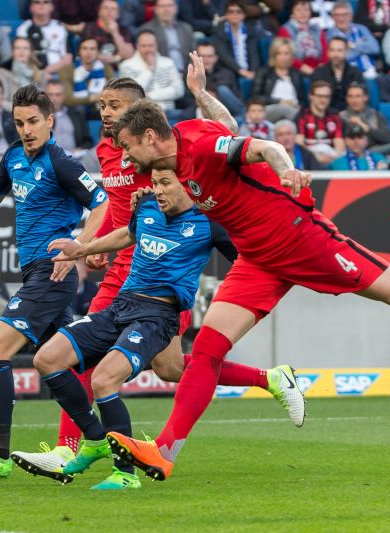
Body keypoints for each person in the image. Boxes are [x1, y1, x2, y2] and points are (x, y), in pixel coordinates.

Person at [106, 51, 390, 481]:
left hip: (299, 238)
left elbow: (263, 146)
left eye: (127, 147)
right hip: (256, 259)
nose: (125, 158)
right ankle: (163, 451)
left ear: (149, 137)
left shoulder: (198, 146)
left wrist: (288, 168)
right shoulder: (187, 137)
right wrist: (200, 93)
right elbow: (230, 126)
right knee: (207, 350)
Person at [11, 79, 304, 482]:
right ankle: (269, 379)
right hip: (123, 271)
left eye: (115, 106)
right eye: (102, 105)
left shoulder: (164, 152)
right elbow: (116, 210)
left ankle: (78, 450)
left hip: (162, 276)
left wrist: (202, 94)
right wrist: (93, 246)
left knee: (152, 367)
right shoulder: (105, 150)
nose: (106, 113)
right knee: (146, 365)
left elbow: (228, 135)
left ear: (141, 116)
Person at [0, 84, 108, 478]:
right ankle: (97, 438)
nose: (26, 129)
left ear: (50, 121)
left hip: (52, 272)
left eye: (33, 122)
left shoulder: (61, 162)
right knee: (55, 363)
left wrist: (78, 246)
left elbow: (102, 204)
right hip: (34, 273)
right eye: (18, 122)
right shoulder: (13, 155)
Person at [32, 168, 237, 490]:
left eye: (166, 183)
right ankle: (96, 439)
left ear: (188, 186)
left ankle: (125, 474)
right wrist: (83, 249)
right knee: (47, 358)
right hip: (120, 305)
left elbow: (248, 260)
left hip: (158, 315)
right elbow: (128, 234)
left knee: (104, 379)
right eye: (155, 183)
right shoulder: (146, 206)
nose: (158, 190)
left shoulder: (210, 222)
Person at [118, 30, 184, 121]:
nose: (148, 49)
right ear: (137, 46)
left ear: (156, 45)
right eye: (144, 46)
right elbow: (132, 93)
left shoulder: (168, 63)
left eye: (151, 45)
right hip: (139, 113)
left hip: (168, 111)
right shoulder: (126, 66)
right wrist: (149, 70)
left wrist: (150, 96)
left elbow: (179, 90)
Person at [251, 37, 306, 122]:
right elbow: (256, 97)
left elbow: (302, 99)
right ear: (274, 55)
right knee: (287, 110)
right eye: (279, 53)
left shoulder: (296, 74)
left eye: (286, 53)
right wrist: (279, 102)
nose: (283, 57)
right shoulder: (264, 72)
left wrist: (299, 105)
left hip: (293, 110)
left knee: (289, 122)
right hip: (269, 109)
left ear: (291, 56)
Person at [338, 82, 390, 155]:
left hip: (374, 149)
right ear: (346, 98)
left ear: (365, 98)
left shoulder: (375, 114)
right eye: (350, 96)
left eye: (358, 96)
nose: (354, 100)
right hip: (351, 151)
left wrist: (366, 127)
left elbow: (388, 138)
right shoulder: (341, 116)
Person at [59, 37, 113, 118]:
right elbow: (67, 99)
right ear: (79, 51)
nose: (88, 53)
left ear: (98, 52)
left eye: (92, 49)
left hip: (101, 106)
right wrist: (93, 98)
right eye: (84, 48)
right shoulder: (67, 70)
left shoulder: (106, 68)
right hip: (77, 110)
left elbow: (113, 92)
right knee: (79, 109)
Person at [16, 0, 72, 77]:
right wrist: (39, 74)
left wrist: (48, 70)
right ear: (31, 7)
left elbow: (68, 58)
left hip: (57, 72)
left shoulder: (60, 28)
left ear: (52, 7)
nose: (41, 5)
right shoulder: (24, 29)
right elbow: (20, 56)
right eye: (37, 2)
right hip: (32, 73)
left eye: (46, 2)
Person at [326, 1, 379, 80]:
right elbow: (341, 56)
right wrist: (364, 47)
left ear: (351, 16)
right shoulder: (330, 34)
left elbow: (375, 48)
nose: (341, 18)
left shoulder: (361, 28)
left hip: (370, 70)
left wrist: (353, 45)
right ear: (332, 17)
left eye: (345, 15)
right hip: (347, 74)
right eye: (337, 15)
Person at [295, 79, 345, 165]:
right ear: (311, 96)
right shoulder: (302, 116)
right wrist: (316, 156)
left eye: (326, 96)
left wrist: (334, 157)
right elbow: (299, 143)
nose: (323, 100)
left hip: (331, 157)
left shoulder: (335, 117)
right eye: (319, 96)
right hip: (310, 158)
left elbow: (339, 144)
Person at [139, 0, 194, 75]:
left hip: (187, 74)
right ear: (155, 9)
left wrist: (189, 73)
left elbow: (193, 54)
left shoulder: (187, 28)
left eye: (169, 5)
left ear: (176, 8)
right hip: (160, 74)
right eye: (162, 6)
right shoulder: (147, 29)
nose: (166, 9)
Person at [310, 36, 364, 112]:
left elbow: (361, 98)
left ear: (346, 52)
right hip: (325, 114)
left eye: (339, 51)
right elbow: (314, 99)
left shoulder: (355, 72)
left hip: (351, 114)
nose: (336, 54)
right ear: (328, 52)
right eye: (332, 50)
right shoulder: (319, 72)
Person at [212, 0, 260, 83]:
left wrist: (253, 71)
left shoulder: (250, 31)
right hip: (228, 70)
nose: (235, 14)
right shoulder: (219, 31)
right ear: (226, 15)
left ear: (244, 15)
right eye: (231, 12)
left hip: (249, 70)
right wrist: (240, 70)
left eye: (239, 12)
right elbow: (224, 56)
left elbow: (254, 53)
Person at [196, 40, 244, 119]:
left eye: (209, 56)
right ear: (196, 58)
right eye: (202, 56)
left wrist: (210, 93)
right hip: (202, 110)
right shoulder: (191, 73)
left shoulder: (226, 73)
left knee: (222, 89)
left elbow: (235, 98)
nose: (206, 59)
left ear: (216, 58)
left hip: (230, 110)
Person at [277, 0, 325, 77]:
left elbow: (325, 52)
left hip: (320, 69)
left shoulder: (317, 29)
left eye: (306, 10)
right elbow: (287, 55)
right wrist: (304, 68)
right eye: (298, 10)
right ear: (292, 12)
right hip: (298, 70)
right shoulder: (285, 30)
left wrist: (323, 66)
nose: (303, 13)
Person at [81, 0, 134, 69]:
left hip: (118, 69)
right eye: (105, 8)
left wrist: (115, 33)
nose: (109, 11)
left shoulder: (124, 30)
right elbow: (85, 52)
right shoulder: (90, 28)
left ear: (118, 14)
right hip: (95, 68)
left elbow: (128, 54)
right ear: (99, 12)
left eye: (113, 9)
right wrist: (100, 57)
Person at [46, 79, 93, 156]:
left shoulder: (76, 114)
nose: (54, 98)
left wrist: (80, 148)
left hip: (75, 158)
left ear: (64, 96)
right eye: (50, 94)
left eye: (58, 94)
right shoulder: (39, 117)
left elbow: (88, 141)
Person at [0, 37, 43, 105]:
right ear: (13, 51)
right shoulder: (2, 73)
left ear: (30, 52)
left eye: (25, 48)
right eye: (18, 48)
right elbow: (1, 102)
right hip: (13, 112)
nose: (21, 51)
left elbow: (44, 101)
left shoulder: (40, 73)